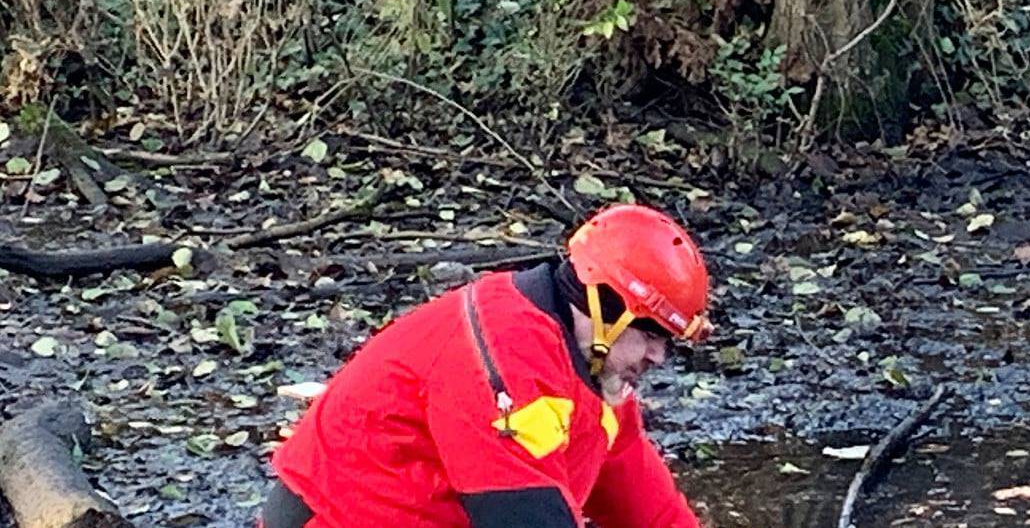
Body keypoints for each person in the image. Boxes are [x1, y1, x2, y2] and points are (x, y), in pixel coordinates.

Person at [261, 204, 712, 528]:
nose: (658, 357)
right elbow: (524, 515)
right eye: (651, 334)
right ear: (603, 306)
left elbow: (647, 507)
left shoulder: (598, 372)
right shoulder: (502, 357)